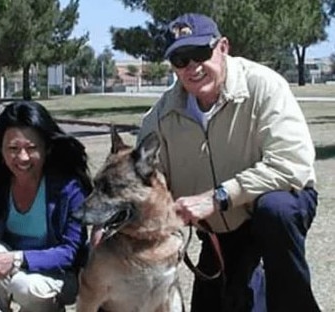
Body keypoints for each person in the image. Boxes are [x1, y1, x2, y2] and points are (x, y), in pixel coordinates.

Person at [137, 13, 320, 312]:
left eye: (200, 53)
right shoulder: (159, 118)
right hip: (219, 231)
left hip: (271, 211)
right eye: (181, 59)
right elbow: (145, 181)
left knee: (276, 211)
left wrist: (219, 196)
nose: (192, 67)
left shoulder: (264, 86)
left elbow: (291, 165)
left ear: (222, 47)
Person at [0, 100, 92, 312]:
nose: (22, 157)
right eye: (13, 148)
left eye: (31, 148)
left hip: (59, 276)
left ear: (47, 147)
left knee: (23, 286)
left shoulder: (67, 186)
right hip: (14, 272)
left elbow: (70, 252)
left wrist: (18, 259)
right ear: (0, 149)